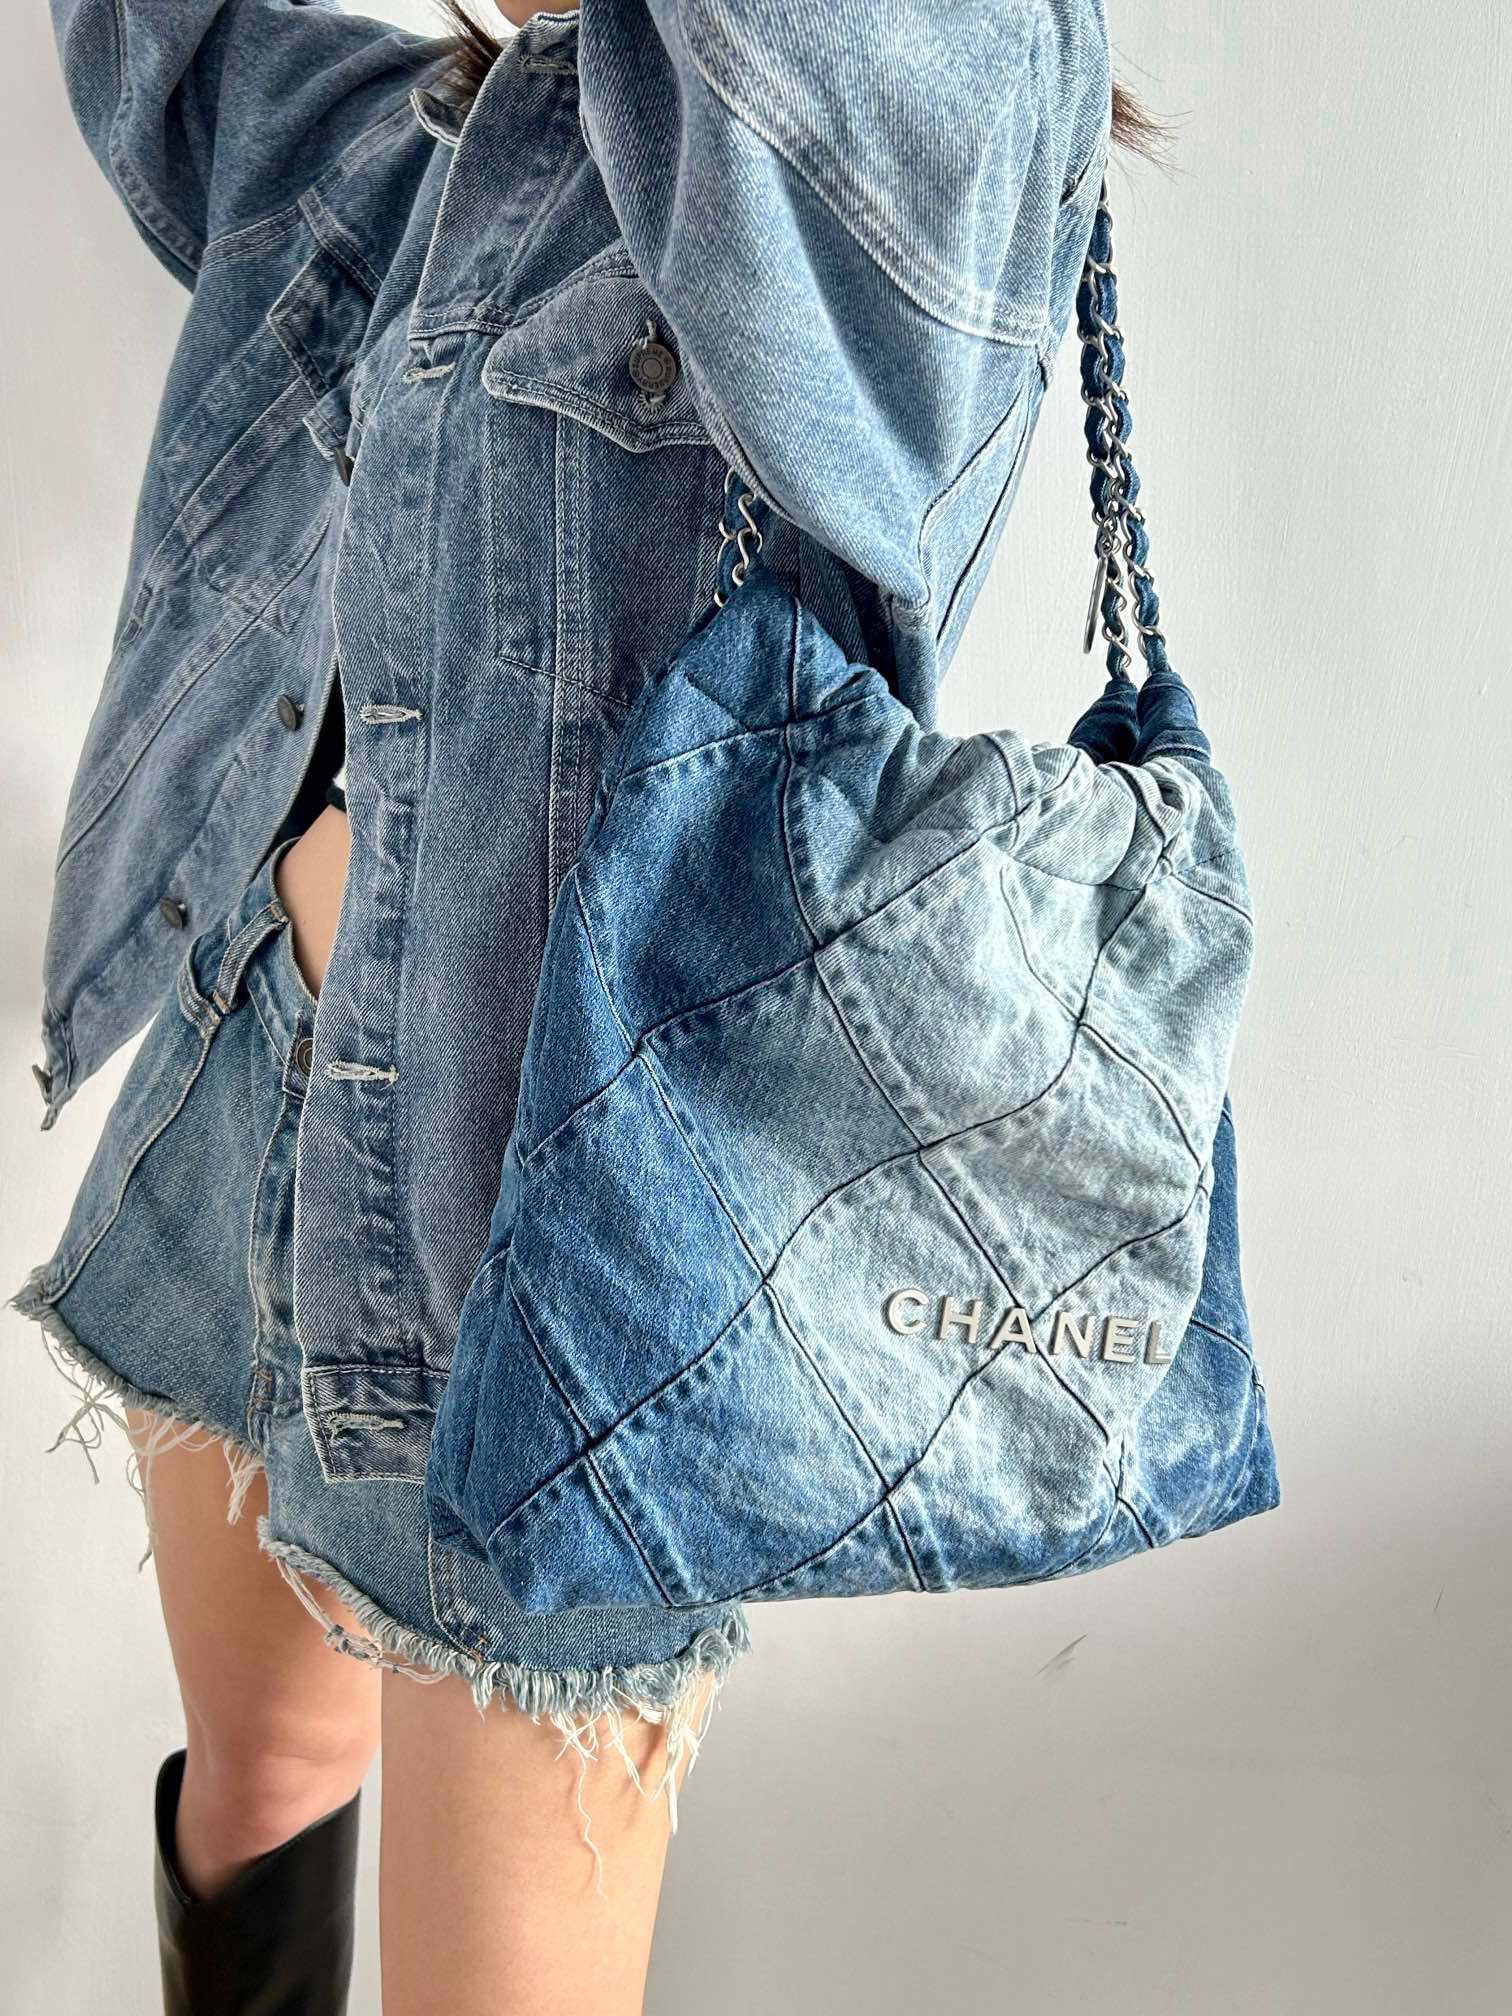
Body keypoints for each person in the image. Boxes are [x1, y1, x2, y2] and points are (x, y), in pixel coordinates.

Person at [15, 1, 1142, 2007]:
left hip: (567, 1226)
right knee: (257, 1783)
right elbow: (165, 62)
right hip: (258, 1059)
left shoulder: (928, 120)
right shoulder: (430, 140)